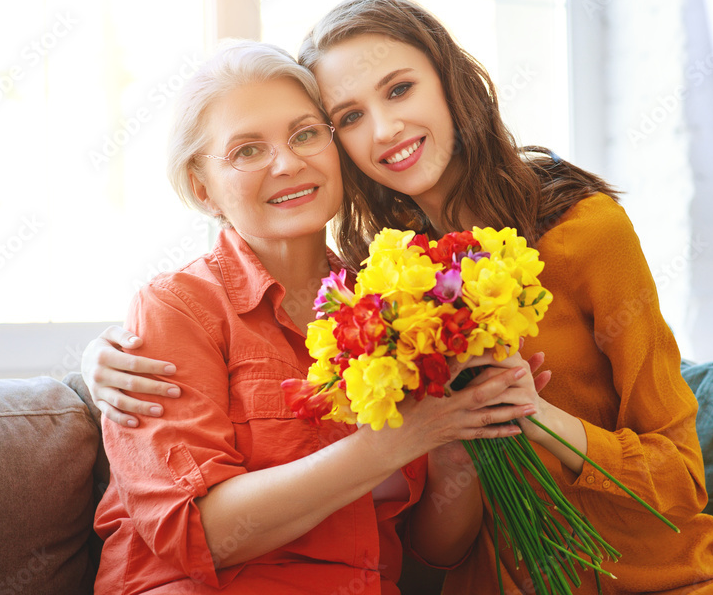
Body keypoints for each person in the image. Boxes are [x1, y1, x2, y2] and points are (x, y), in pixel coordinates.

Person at [84, 0, 713, 594]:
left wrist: (523, 418)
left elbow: (680, 481)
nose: (383, 130)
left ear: (450, 84)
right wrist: (96, 358)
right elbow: (435, 540)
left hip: (655, 572)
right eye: (348, 116)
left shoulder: (577, 235)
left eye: (400, 89)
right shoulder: (377, 290)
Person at [88, 39, 544, 595]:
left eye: (305, 134)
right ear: (201, 186)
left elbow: (436, 549)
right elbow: (200, 534)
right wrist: (393, 443)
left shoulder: (394, 302)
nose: (287, 162)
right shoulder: (178, 308)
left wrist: (467, 429)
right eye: (248, 150)